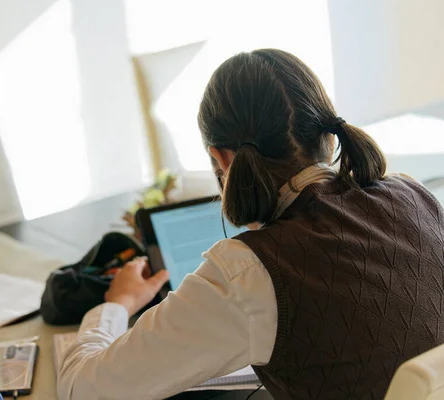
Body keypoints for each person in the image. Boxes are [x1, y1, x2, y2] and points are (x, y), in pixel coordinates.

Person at [57, 49, 444, 400]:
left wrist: (117, 304)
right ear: (328, 137)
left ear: (221, 158)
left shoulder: (249, 274)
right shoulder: (416, 196)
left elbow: (82, 390)